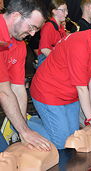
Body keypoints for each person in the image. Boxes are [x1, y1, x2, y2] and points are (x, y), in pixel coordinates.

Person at [29, 14, 91, 149]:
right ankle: (27, 123)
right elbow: (82, 88)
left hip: (70, 95)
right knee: (62, 143)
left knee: (73, 137)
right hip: (48, 92)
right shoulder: (79, 43)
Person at [0, 0, 50, 152]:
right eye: (32, 27)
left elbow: (18, 88)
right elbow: (4, 91)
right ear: (15, 16)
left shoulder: (19, 45)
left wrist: (23, 130)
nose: (33, 33)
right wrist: (25, 132)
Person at [37, 0, 68, 66]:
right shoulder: (48, 26)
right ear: (54, 11)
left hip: (54, 58)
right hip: (46, 60)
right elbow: (44, 49)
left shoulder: (61, 27)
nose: (66, 13)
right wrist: (60, 60)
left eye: (67, 10)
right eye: (63, 10)